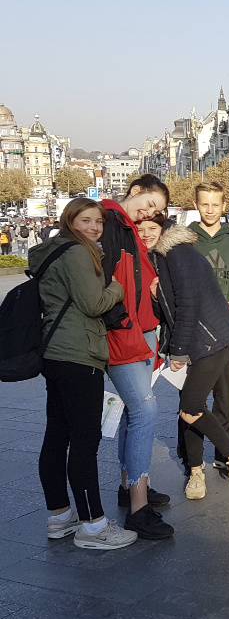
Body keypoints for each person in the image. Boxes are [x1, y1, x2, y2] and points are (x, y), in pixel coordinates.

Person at [33, 198, 136, 550]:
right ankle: (94, 525)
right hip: (79, 354)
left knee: (57, 435)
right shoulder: (77, 253)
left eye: (98, 222)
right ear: (69, 221)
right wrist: (118, 287)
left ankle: (60, 517)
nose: (93, 227)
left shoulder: (56, 250)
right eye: (85, 220)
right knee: (84, 441)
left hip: (57, 353)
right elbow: (93, 304)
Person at [148, 222, 229, 499]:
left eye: (152, 228)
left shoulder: (178, 253)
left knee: (190, 408)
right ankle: (197, 470)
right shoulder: (162, 257)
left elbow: (188, 302)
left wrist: (178, 350)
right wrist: (156, 297)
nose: (146, 234)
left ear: (164, 231)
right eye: (141, 230)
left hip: (211, 341)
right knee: (190, 409)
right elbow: (169, 309)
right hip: (199, 342)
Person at [101, 175, 173, 539]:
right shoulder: (112, 222)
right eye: (149, 202)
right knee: (144, 409)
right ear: (135, 192)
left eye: (157, 211)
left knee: (134, 412)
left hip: (143, 332)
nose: (150, 212)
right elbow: (102, 279)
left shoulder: (129, 227)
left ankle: (130, 486)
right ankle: (138, 508)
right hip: (125, 334)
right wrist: (121, 323)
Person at [180, 182, 229, 476]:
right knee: (191, 399)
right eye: (204, 204)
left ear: (224, 206)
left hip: (226, 332)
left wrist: (227, 309)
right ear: (196, 205)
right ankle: (190, 460)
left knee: (225, 395)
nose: (210, 210)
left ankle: (225, 454)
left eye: (215, 204)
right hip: (194, 333)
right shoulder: (185, 241)